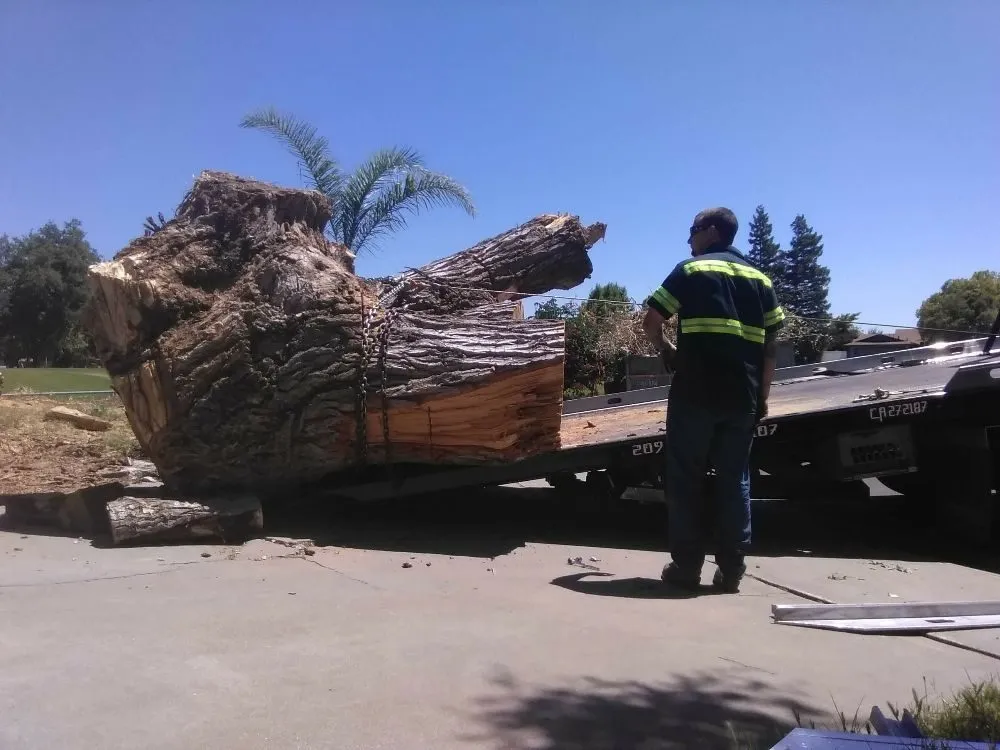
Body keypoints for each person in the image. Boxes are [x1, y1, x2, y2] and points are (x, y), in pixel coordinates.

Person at [642, 207, 785, 593]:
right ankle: (732, 570)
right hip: (742, 397)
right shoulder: (761, 279)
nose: (689, 239)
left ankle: (686, 567)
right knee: (734, 479)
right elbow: (771, 347)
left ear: (711, 232)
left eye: (692, 231)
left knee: (685, 478)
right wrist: (763, 397)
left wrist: (667, 350)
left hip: (695, 394)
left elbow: (651, 320)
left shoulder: (691, 271)